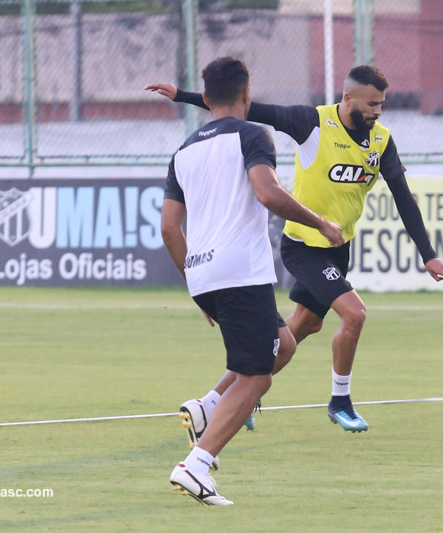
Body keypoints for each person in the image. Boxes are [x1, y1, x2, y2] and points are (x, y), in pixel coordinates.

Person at [148, 64, 443, 437]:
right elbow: (246, 108)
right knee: (355, 314)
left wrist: (428, 254)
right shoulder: (311, 122)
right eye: (372, 104)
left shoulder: (381, 141)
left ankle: (226, 398)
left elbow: (404, 199)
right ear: (347, 98)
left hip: (336, 247)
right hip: (303, 244)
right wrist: (182, 96)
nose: (378, 111)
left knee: (295, 332)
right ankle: (339, 402)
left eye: (382, 104)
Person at [160, 56, 344, 505]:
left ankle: (208, 406)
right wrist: (320, 222)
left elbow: (169, 228)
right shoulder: (252, 134)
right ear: (246, 95)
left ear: (205, 98)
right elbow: (267, 192)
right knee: (256, 378)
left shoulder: (183, 150)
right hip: (239, 270)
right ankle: (197, 465)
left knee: (285, 344)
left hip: (202, 272)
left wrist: (194, 281)